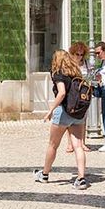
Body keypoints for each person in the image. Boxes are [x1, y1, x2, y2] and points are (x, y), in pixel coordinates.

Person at [33, 48, 90, 190]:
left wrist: (50, 110)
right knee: (78, 146)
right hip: (78, 113)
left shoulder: (58, 73)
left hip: (63, 112)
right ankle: (81, 178)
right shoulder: (76, 73)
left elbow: (62, 93)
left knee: (53, 145)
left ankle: (44, 174)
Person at [64, 41, 91, 154]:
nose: (79, 57)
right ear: (72, 53)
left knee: (83, 118)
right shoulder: (69, 64)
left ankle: (82, 142)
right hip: (71, 93)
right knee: (70, 118)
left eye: (81, 54)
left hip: (83, 94)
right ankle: (70, 144)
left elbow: (89, 76)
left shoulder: (86, 64)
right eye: (77, 54)